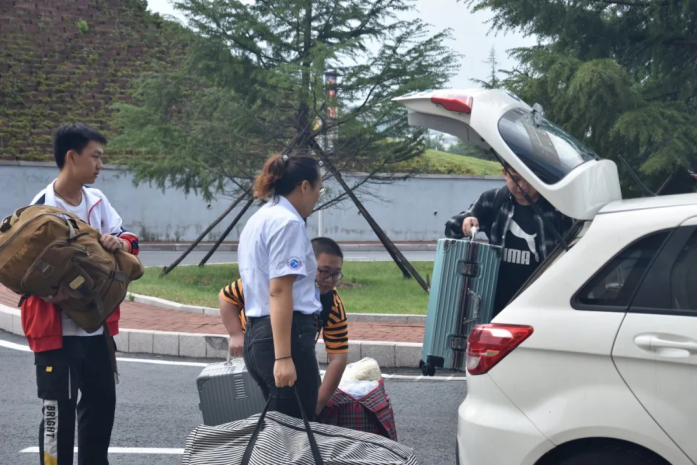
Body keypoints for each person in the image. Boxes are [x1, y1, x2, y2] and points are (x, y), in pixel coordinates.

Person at [21, 123, 140, 465]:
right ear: (72, 157)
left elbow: (129, 238)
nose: (101, 164)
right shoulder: (42, 207)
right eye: (95, 157)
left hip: (95, 326)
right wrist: (50, 291)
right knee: (59, 415)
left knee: (101, 406)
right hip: (56, 331)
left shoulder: (98, 200)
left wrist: (120, 243)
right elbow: (25, 270)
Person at [237, 152, 324, 420]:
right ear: (304, 186)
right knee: (294, 430)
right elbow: (279, 290)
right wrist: (284, 357)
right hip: (286, 337)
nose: (318, 197)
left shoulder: (259, 218)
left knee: (281, 428)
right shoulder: (288, 223)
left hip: (258, 333)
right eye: (319, 189)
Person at [219, 236, 349, 415]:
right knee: (284, 411)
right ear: (307, 264)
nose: (329, 279)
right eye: (324, 271)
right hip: (261, 347)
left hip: (296, 351)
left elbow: (338, 358)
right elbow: (226, 298)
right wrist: (235, 335)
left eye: (336, 274)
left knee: (296, 407)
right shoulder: (276, 280)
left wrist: (318, 403)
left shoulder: (331, 303)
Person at [445, 163, 572, 316]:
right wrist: (464, 223)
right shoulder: (492, 200)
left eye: (530, 179)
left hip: (540, 304)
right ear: (504, 173)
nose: (522, 186)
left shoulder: (557, 207)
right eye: (515, 178)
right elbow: (451, 228)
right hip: (496, 303)